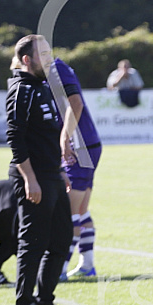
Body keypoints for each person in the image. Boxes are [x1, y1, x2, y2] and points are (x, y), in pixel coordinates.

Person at [6, 34, 73, 305]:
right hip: (33, 178)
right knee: (32, 243)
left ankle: (45, 303)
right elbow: (15, 138)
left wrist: (59, 171)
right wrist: (30, 179)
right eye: (43, 54)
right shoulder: (22, 90)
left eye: (50, 53)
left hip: (52, 175)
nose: (49, 59)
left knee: (61, 240)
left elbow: (45, 138)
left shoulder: (41, 87)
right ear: (26, 59)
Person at [53, 58, 102, 281]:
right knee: (80, 209)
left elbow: (76, 104)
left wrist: (65, 137)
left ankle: (59, 268)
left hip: (80, 146)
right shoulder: (55, 67)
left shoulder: (55, 68)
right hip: (85, 144)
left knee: (68, 211)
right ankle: (87, 265)